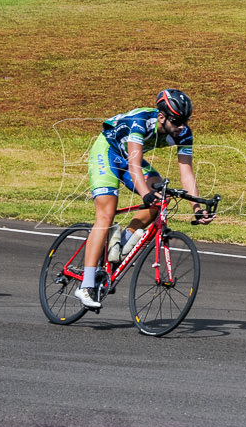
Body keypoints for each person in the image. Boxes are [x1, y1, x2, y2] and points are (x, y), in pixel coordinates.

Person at [77, 89, 216, 309]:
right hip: (108, 152)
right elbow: (133, 164)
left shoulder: (184, 133)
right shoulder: (141, 122)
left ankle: (121, 243)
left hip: (130, 157)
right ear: (161, 117)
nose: (182, 126)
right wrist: (145, 194)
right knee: (106, 214)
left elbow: (186, 172)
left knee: (162, 197)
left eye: (185, 121)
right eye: (177, 121)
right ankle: (86, 284)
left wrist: (197, 208)